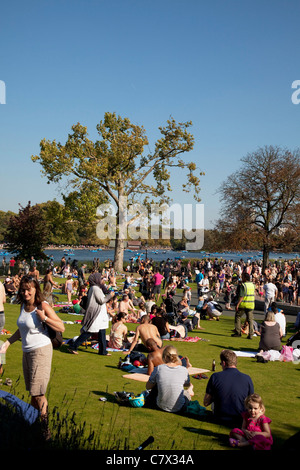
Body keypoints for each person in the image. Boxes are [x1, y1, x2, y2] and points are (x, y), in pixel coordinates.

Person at [0, 275, 65, 440]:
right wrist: (8, 343)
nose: (26, 292)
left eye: (29, 289)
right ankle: (31, 424)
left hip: (41, 351)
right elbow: (21, 330)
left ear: (36, 289)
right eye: (23, 289)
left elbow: (61, 326)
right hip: (27, 352)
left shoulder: (42, 305)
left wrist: (44, 318)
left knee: (38, 394)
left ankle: (44, 430)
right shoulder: (23, 305)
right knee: (33, 393)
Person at [203, 350, 254, 426]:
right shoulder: (247, 378)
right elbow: (252, 401)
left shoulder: (215, 376)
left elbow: (206, 402)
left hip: (219, 417)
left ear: (224, 363)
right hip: (240, 418)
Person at [68, 272, 115, 356]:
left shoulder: (96, 288)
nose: (102, 280)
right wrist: (110, 296)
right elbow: (101, 300)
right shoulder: (95, 288)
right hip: (96, 314)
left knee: (102, 332)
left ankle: (103, 351)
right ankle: (73, 346)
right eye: (101, 278)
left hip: (100, 313)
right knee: (90, 331)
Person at [146, 345, 194, 413]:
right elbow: (186, 384)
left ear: (164, 357)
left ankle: (189, 391)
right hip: (180, 407)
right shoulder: (184, 370)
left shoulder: (159, 368)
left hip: (160, 406)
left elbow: (148, 386)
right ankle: (190, 391)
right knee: (185, 393)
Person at [231, 272, 255, 339]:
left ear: (244, 278)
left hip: (243, 304)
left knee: (238, 317)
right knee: (250, 320)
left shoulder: (243, 285)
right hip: (251, 304)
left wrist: (237, 304)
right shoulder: (252, 285)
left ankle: (238, 332)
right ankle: (251, 334)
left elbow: (241, 296)